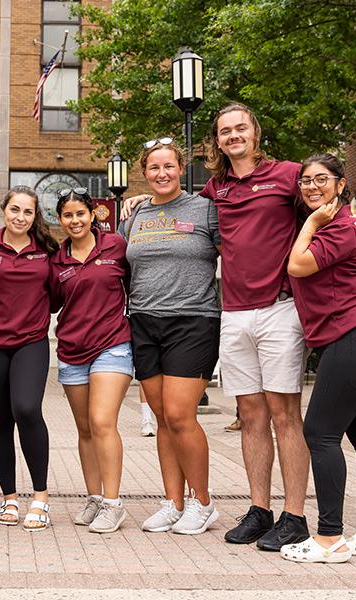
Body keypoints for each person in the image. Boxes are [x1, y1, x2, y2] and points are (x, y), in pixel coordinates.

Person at [124, 103, 356, 550]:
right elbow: (175, 210)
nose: (233, 135)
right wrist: (145, 201)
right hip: (234, 313)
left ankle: (294, 516)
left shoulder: (288, 175)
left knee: (285, 416)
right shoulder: (215, 191)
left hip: (280, 309)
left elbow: (328, 200)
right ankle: (260, 510)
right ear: (217, 141)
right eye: (225, 131)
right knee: (250, 415)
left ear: (255, 133)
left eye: (241, 127)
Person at [281, 154, 356, 563]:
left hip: (355, 339)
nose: (313, 187)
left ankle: (329, 537)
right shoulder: (340, 223)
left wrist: (311, 224)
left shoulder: (339, 227)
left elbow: (297, 265)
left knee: (319, 434)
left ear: (341, 184)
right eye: (306, 181)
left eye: (322, 179)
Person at [117, 137, 222, 535]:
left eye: (169, 166)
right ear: (144, 173)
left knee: (180, 414)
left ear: (181, 169)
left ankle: (204, 502)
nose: (162, 173)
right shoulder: (135, 216)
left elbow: (238, 250)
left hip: (193, 320)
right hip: (144, 321)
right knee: (162, 417)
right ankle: (173, 502)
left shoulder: (205, 210)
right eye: (154, 168)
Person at [0, 186, 58, 531]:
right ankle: (9, 496)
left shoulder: (46, 251)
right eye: (15, 210)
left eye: (28, 212)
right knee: (0, 420)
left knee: (26, 409)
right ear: (3, 210)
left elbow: (55, 298)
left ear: (35, 217)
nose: (20, 217)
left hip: (31, 343)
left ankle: (40, 496)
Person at [50, 187, 133, 534]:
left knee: (102, 422)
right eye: (67, 215)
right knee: (85, 429)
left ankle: (114, 504)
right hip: (72, 349)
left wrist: (139, 201)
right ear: (60, 220)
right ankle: (95, 498)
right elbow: (52, 303)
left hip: (113, 345)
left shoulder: (116, 245)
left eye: (80, 213)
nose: (75, 220)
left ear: (93, 214)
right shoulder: (57, 260)